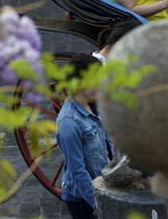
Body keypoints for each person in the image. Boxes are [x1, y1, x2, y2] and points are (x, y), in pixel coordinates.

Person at [57, 54, 113, 219]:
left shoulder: (92, 106)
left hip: (99, 186)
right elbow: (77, 170)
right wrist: (98, 204)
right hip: (82, 199)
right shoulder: (69, 122)